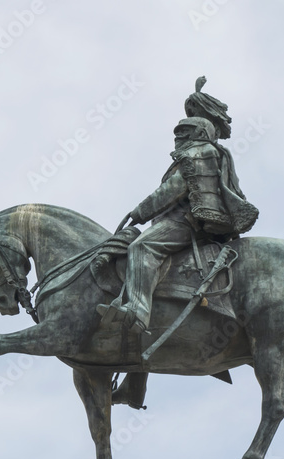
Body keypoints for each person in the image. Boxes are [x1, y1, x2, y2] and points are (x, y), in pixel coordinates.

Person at [97, 78, 257, 334]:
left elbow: (171, 191)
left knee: (141, 247)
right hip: (182, 222)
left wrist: (139, 212)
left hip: (185, 223)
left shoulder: (198, 153)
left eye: (183, 133)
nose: (177, 139)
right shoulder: (203, 153)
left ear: (199, 134)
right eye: (177, 134)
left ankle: (137, 311)